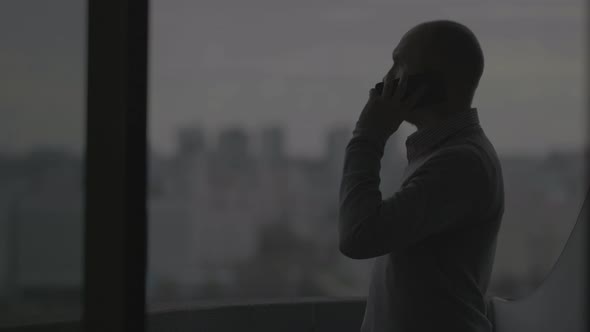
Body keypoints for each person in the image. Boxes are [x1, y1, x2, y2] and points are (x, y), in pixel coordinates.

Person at [338, 19, 505, 331]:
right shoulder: (441, 153)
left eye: (400, 65)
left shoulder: (461, 163)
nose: (387, 80)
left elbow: (357, 236)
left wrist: (367, 136)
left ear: (437, 82)